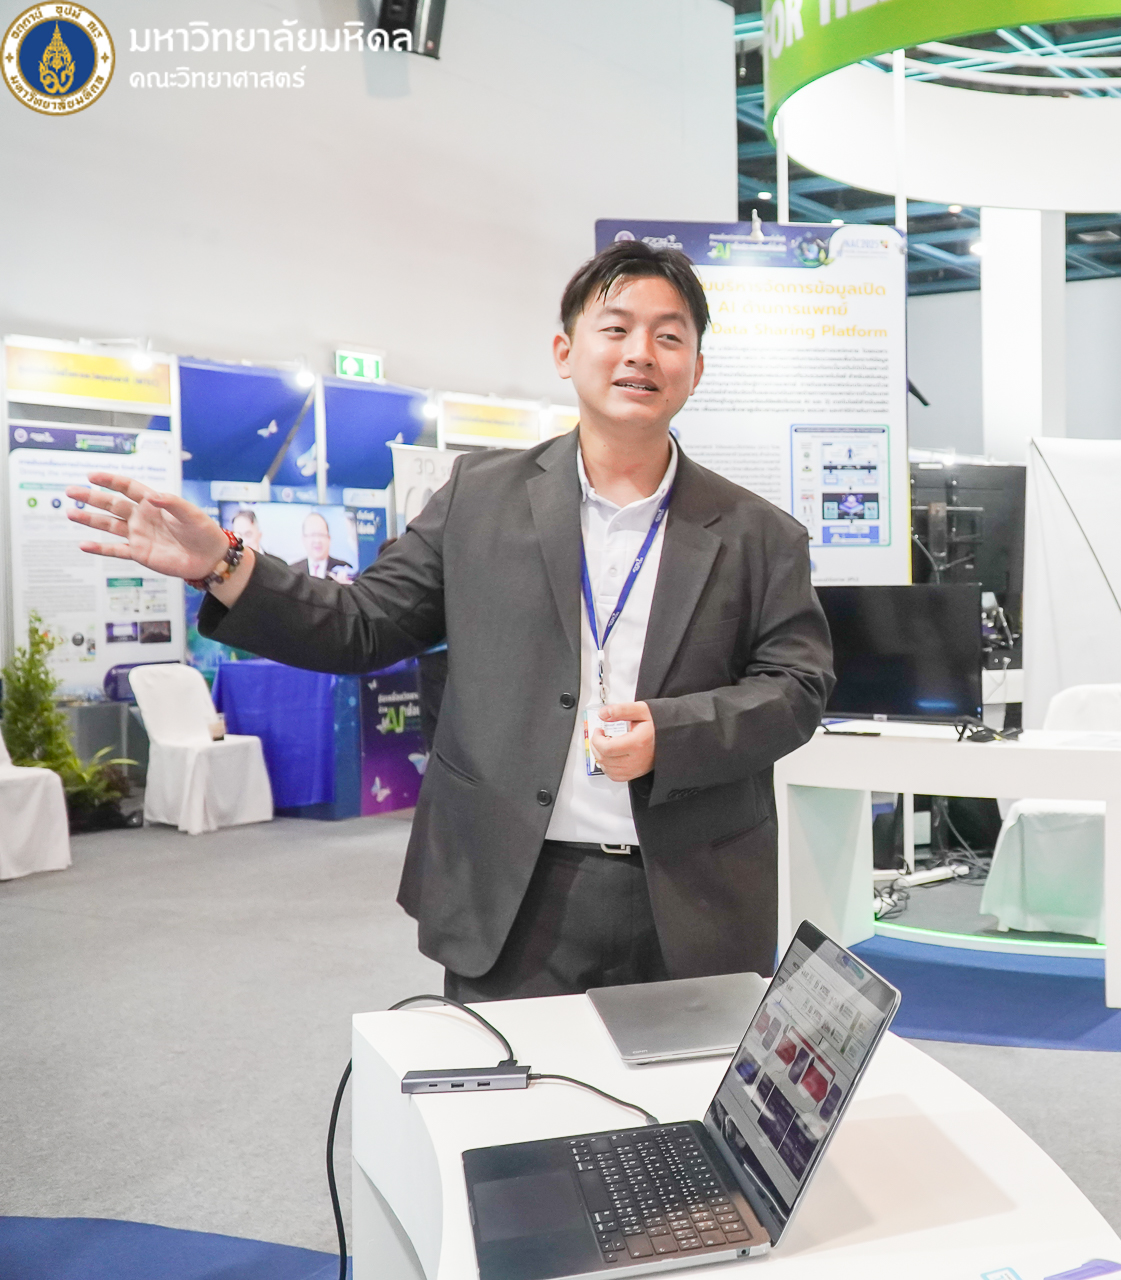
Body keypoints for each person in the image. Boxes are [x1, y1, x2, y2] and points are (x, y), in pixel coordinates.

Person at [65, 240, 835, 1000]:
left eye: (669, 336)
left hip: (692, 895)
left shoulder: (759, 533)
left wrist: (674, 734)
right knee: (514, 1086)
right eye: (616, 328)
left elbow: (797, 688)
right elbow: (364, 622)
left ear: (696, 369)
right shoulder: (480, 497)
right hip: (513, 890)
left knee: (686, 1085)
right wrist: (225, 564)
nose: (641, 352)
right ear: (565, 352)